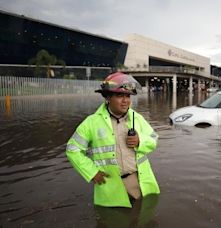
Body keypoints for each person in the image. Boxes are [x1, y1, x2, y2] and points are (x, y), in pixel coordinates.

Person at [65, 72, 160, 208]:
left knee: (144, 218)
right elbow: (72, 149)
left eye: (127, 96)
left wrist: (140, 141)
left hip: (139, 181)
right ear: (108, 97)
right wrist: (92, 173)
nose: (125, 100)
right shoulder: (92, 122)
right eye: (120, 95)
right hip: (109, 185)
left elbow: (154, 138)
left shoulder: (137, 118)